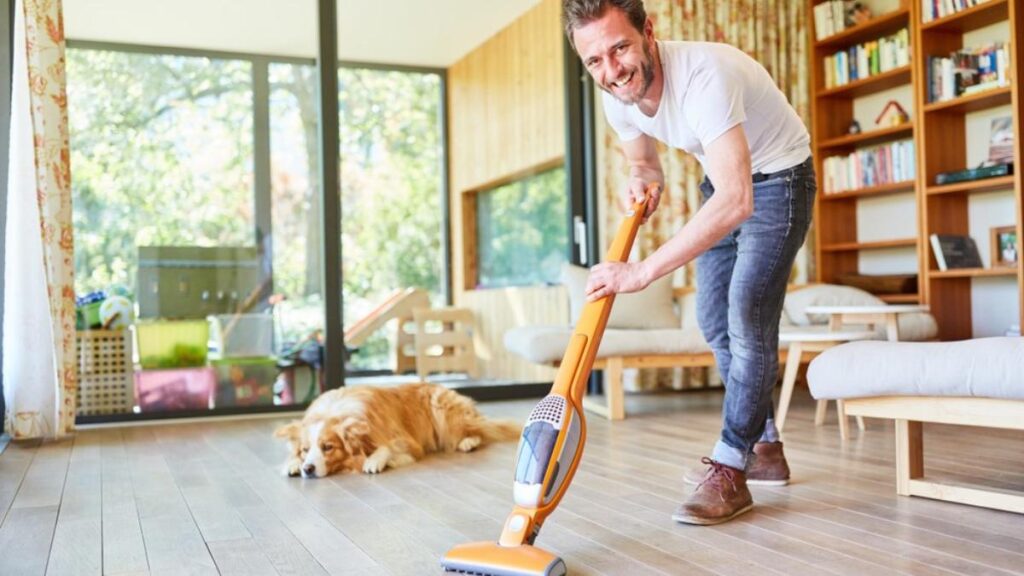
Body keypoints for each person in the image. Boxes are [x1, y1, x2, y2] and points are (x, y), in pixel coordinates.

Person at [563, 0, 815, 525]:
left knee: (747, 317)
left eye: (620, 48)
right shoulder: (617, 95)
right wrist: (642, 180)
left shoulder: (707, 74)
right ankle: (764, 447)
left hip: (779, 182)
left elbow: (736, 200)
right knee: (713, 323)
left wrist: (641, 272)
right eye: (594, 61)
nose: (611, 71)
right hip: (723, 184)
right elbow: (644, 161)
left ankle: (730, 465)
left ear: (648, 32)